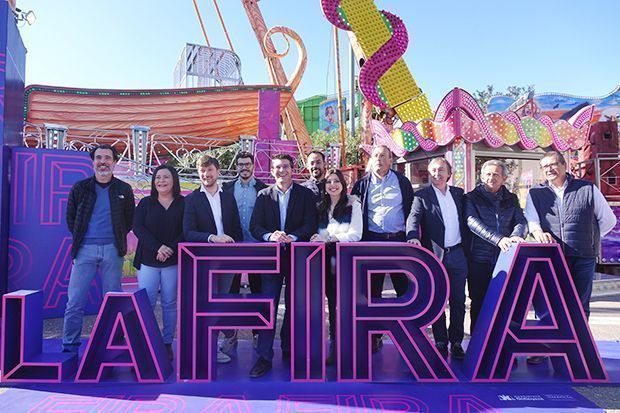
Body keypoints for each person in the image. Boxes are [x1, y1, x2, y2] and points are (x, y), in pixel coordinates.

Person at [249, 154, 317, 378]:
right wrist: (270, 236)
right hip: (272, 259)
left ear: (292, 169)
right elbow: (255, 226)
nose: (281, 171)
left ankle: (289, 350)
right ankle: (264, 357)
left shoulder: (305, 195)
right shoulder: (263, 195)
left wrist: (293, 237)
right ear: (272, 171)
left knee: (294, 307)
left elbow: (310, 224)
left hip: (298, 257)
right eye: (277, 167)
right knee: (268, 307)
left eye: (285, 166)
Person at [525, 151, 616, 320]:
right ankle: (551, 337)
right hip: (552, 257)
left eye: (553, 164)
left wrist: (591, 238)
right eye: (545, 166)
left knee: (579, 305)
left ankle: (579, 337)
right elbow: (532, 221)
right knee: (550, 304)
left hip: (583, 257)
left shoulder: (587, 189)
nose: (549, 169)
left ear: (564, 165)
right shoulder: (535, 193)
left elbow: (608, 220)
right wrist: (538, 232)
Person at [62, 144, 135, 353]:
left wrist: (115, 238)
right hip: (84, 250)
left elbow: (129, 220)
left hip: (113, 250)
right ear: (93, 161)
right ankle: (69, 345)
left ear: (114, 162)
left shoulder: (124, 189)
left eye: (107, 158)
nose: (103, 162)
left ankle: (112, 344)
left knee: (112, 301)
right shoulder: (80, 188)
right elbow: (71, 219)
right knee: (75, 301)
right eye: (99, 158)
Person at [351, 145, 414, 353]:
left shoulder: (402, 182)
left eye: (383, 156)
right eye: (375, 155)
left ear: (390, 160)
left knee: (404, 290)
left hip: (398, 242)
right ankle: (374, 337)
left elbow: (412, 211)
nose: (378, 159)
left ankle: (409, 337)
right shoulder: (361, 184)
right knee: (372, 292)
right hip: (372, 242)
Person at [406, 157, 468, 360]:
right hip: (434, 256)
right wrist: (413, 237)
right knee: (438, 300)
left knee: (458, 301)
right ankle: (440, 340)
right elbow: (413, 219)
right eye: (433, 170)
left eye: (441, 170)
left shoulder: (459, 194)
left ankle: (456, 341)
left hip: (458, 254)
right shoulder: (421, 196)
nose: (436, 173)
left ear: (449, 173)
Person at [184, 154, 243, 364]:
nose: (206, 174)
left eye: (209, 170)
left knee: (223, 301)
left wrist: (239, 256)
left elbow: (236, 228)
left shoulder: (228, 197)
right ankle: (210, 346)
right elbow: (188, 232)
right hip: (204, 262)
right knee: (207, 303)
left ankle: (226, 338)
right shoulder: (191, 199)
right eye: (202, 170)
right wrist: (212, 238)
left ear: (218, 172)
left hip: (228, 259)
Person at [465, 160, 527, 333]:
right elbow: (472, 222)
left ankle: (502, 342)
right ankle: (477, 340)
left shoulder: (511, 198)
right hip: (479, 259)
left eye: (495, 174)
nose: (491, 178)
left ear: (504, 178)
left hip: (505, 258)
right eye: (487, 174)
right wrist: (498, 239)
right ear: (481, 176)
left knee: (506, 302)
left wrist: (516, 235)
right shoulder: (471, 198)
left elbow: (521, 221)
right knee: (479, 302)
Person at [310, 168, 363, 365]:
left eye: (336, 181)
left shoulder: (353, 204)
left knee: (344, 305)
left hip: (344, 262)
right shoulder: (319, 207)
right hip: (321, 262)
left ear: (343, 184)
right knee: (329, 304)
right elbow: (314, 233)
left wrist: (330, 238)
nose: (332, 185)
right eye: (329, 182)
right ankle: (332, 345)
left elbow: (356, 234)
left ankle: (345, 347)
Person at [133, 164, 184, 361]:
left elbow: (186, 230)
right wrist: (158, 247)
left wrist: (170, 248)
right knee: (147, 303)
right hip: (148, 261)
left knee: (169, 303)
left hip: (173, 261)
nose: (161, 181)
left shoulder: (183, 203)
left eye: (166, 177)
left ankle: (167, 342)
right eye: (158, 177)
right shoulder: (146, 203)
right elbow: (138, 228)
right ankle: (146, 342)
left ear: (174, 180)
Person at [222, 151, 267, 350]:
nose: (244, 167)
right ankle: (231, 336)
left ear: (253, 165)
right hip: (233, 247)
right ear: (237, 167)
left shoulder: (264, 189)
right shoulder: (227, 188)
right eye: (240, 164)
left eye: (247, 164)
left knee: (258, 291)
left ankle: (258, 334)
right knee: (231, 293)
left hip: (257, 247)